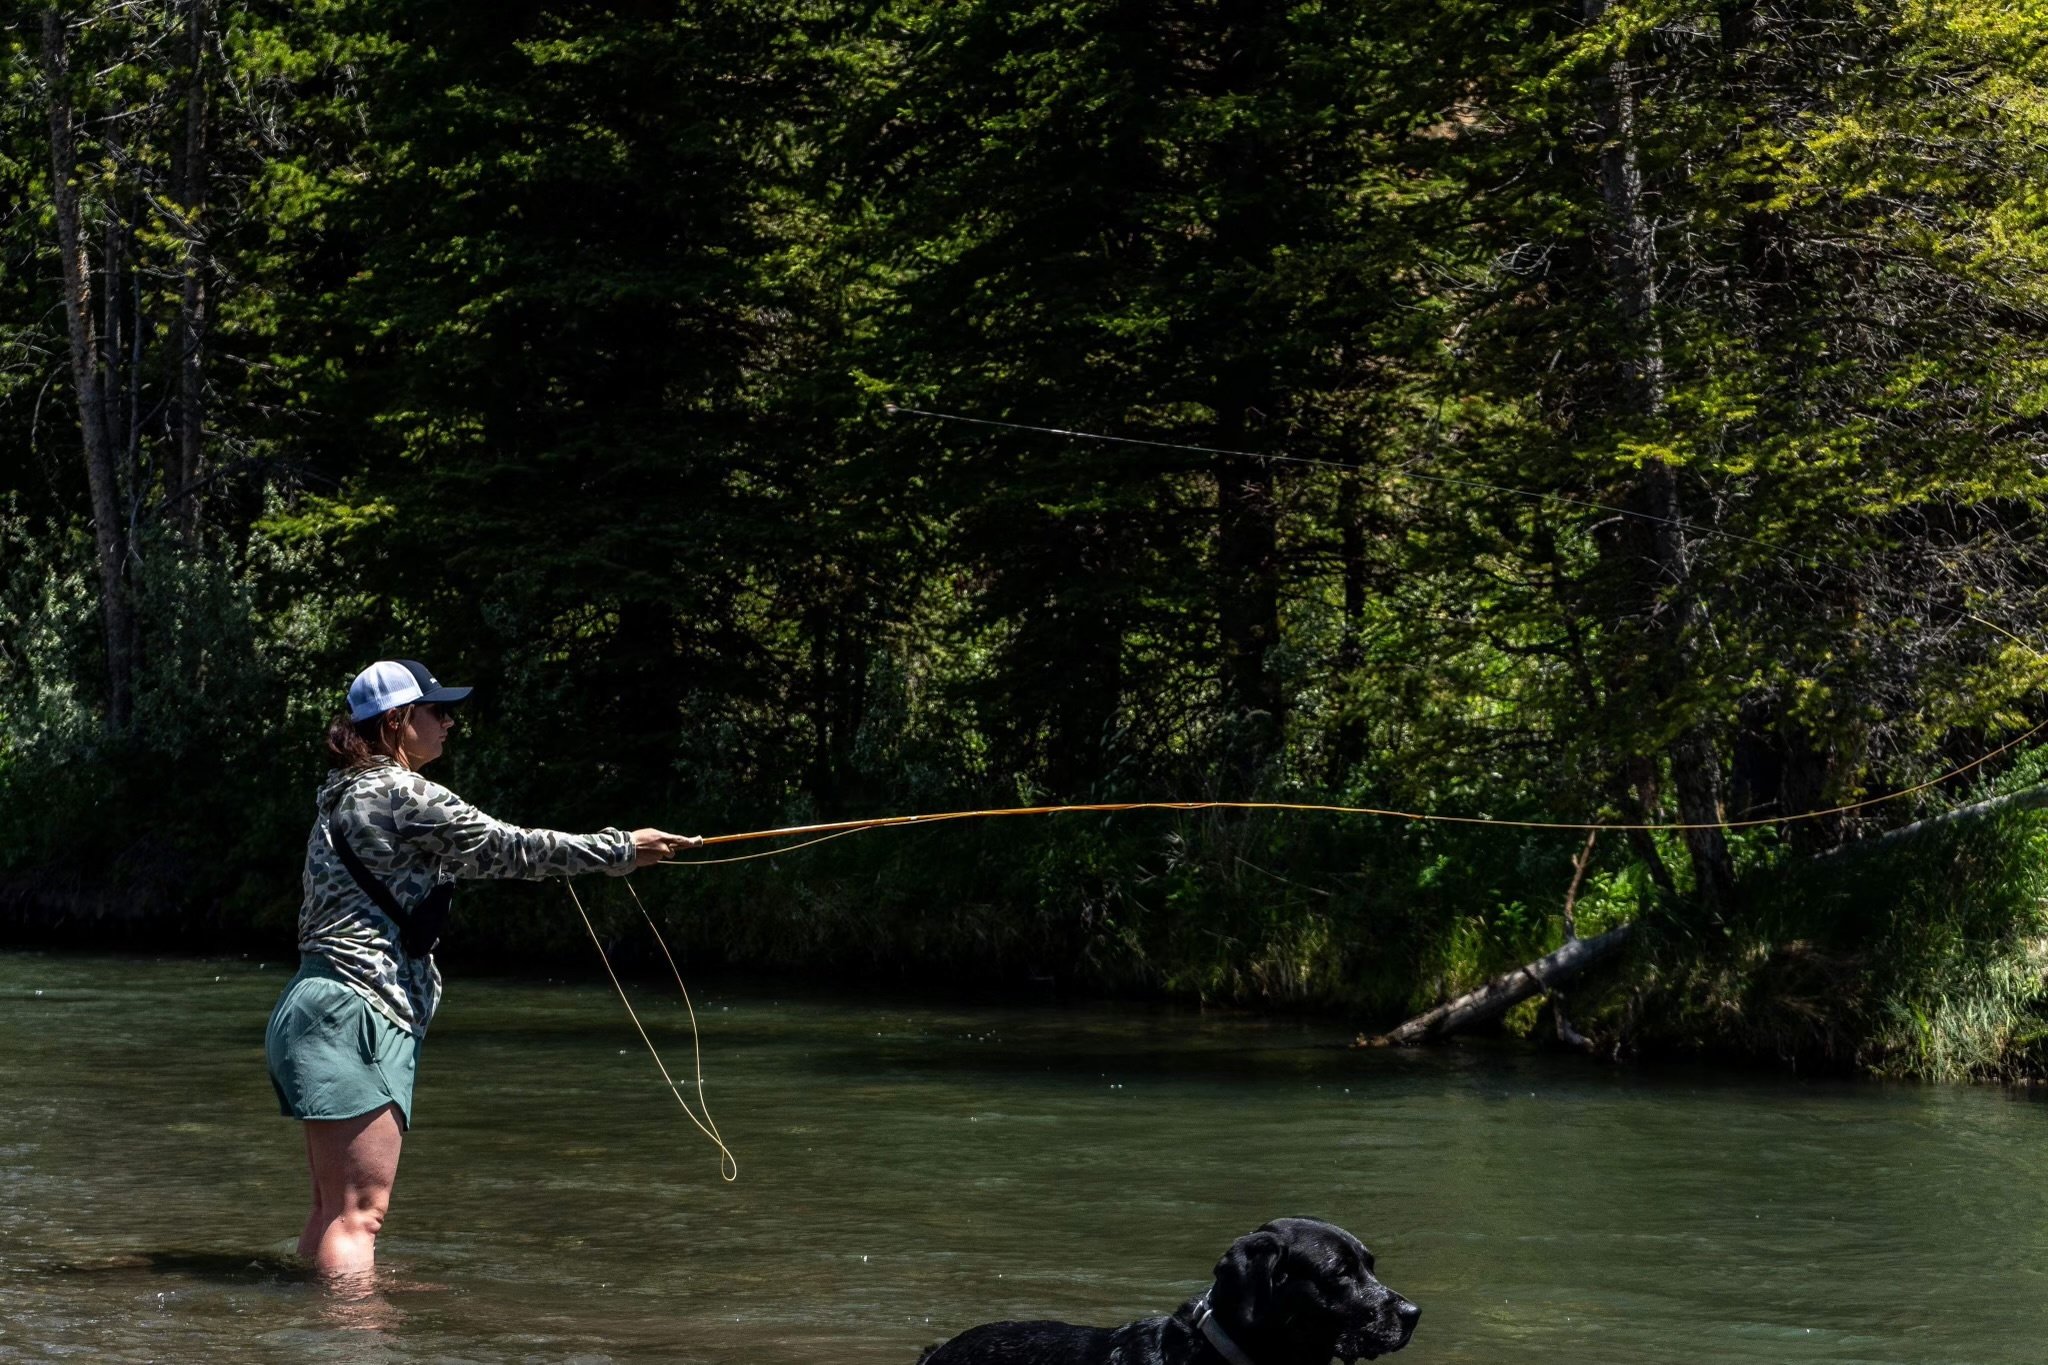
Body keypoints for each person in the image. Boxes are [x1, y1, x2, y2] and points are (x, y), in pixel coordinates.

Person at [265, 658, 698, 1278]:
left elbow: (472, 857)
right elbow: (506, 847)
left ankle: (318, 1328)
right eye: (437, 711)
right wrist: (622, 849)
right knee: (361, 1214)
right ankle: (354, 1342)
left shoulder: (340, 795)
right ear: (395, 722)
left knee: (333, 1209)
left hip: (314, 1004)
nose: (449, 723)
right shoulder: (399, 792)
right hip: (359, 1010)